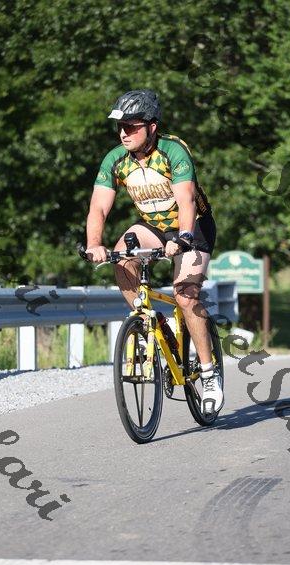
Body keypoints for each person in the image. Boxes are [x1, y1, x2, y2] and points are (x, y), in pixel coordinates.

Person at [85, 89, 223, 414]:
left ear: (152, 127)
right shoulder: (115, 160)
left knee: (185, 295)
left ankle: (208, 374)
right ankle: (150, 321)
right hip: (155, 227)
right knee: (122, 257)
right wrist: (94, 244)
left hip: (194, 227)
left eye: (131, 126)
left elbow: (186, 201)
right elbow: (99, 207)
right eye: (120, 127)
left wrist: (184, 237)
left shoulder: (173, 151)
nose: (124, 133)